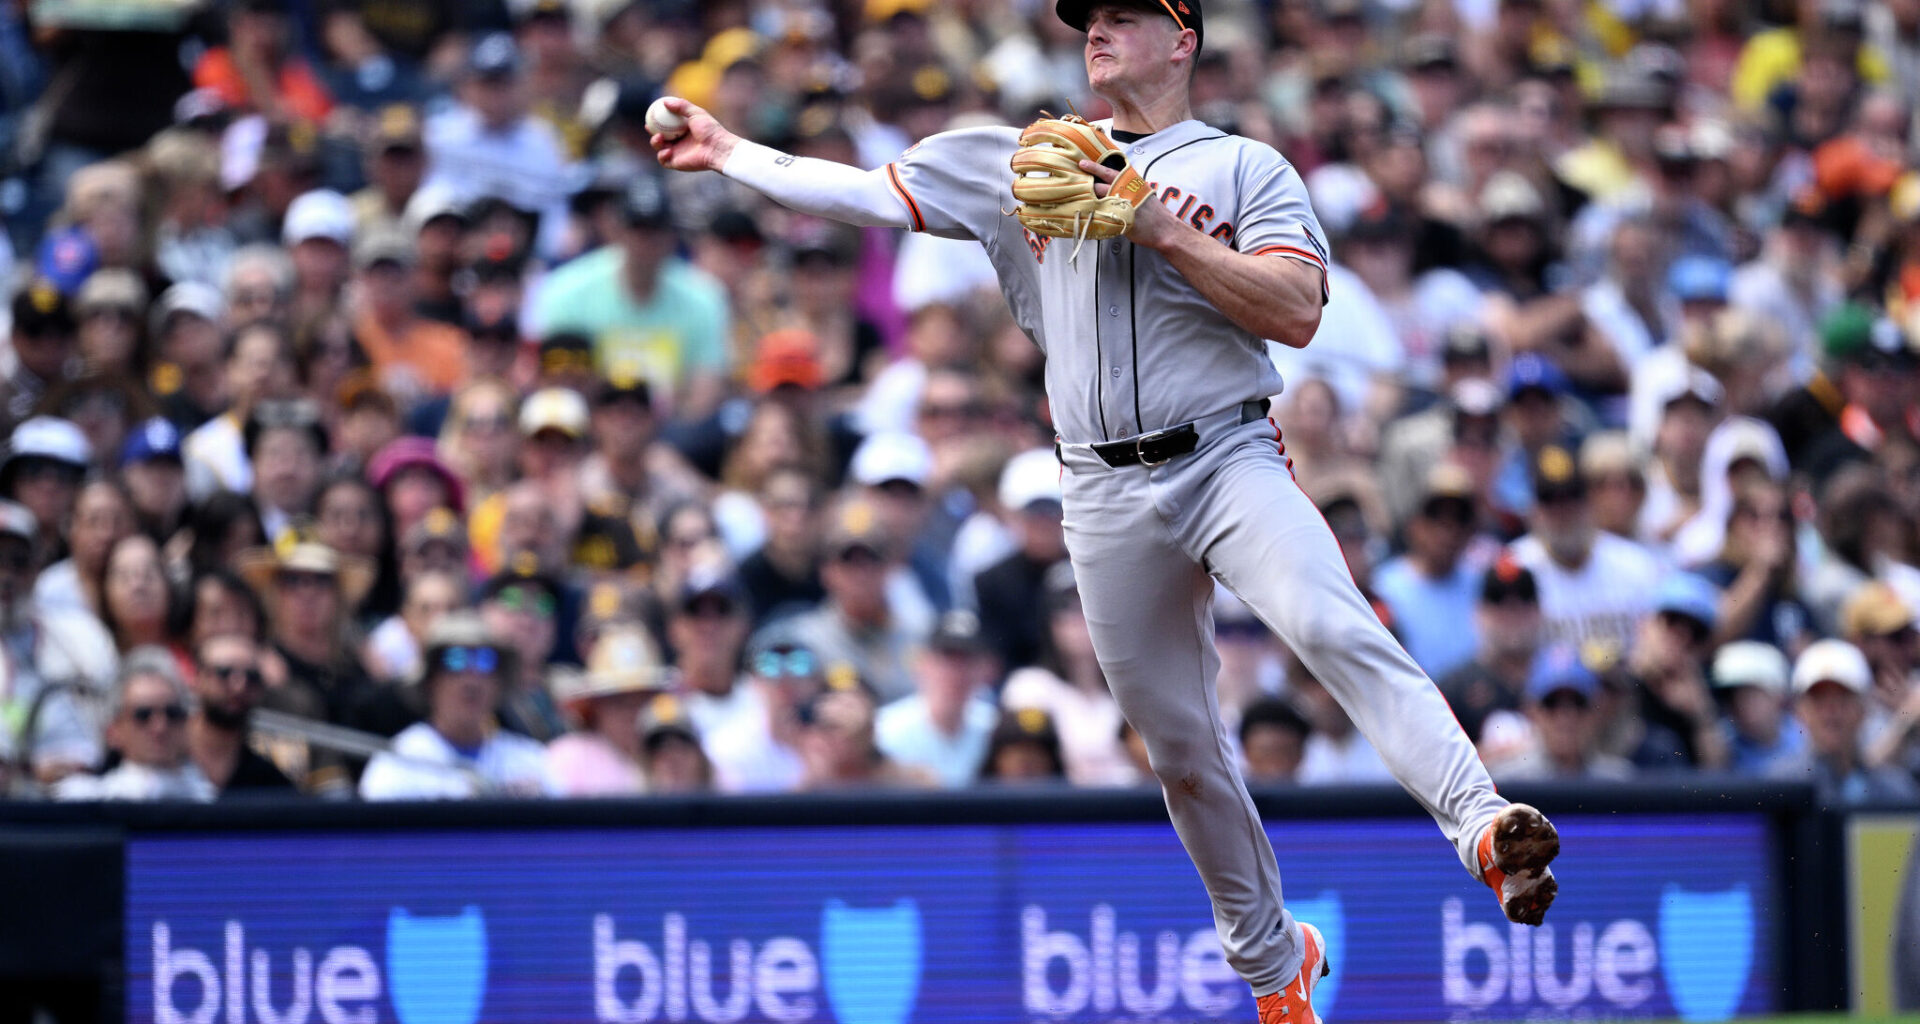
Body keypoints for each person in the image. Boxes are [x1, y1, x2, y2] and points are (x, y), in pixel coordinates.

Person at [656, 3, 1560, 1013]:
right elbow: (866, 194)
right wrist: (730, 151)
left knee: (1329, 623)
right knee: (1178, 747)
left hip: (1224, 452)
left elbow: (1297, 312)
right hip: (1096, 483)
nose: (1097, 30)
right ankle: (1275, 965)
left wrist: (1158, 222)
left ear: (1184, 41)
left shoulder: (1243, 168)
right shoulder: (1021, 159)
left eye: (1126, 15)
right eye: (1089, 17)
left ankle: (1482, 824)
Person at [360, 611, 552, 799]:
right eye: (455, 660)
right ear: (431, 681)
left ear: (498, 682)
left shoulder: (530, 762)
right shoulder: (397, 764)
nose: (471, 679)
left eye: (485, 661)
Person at [1771, 638, 1920, 804]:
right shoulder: (1778, 789)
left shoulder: (1897, 792)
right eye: (1818, 699)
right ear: (1800, 711)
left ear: (1865, 708)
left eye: (1843, 697)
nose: (1831, 711)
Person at [54, 648, 214, 802]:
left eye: (172, 713)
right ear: (113, 730)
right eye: (143, 715)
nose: (160, 726)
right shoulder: (88, 799)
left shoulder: (210, 799)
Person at [875, 609, 1001, 788]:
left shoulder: (996, 730)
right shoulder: (884, 730)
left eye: (967, 660)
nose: (957, 672)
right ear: (923, 663)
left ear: (986, 669)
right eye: (947, 658)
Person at [547, 624, 671, 796]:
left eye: (642, 701)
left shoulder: (678, 756)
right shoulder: (567, 758)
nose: (632, 713)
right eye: (619, 702)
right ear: (596, 707)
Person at [185, 631, 296, 796]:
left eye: (251, 677)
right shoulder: (162, 763)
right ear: (197, 679)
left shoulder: (271, 783)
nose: (239, 686)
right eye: (224, 673)